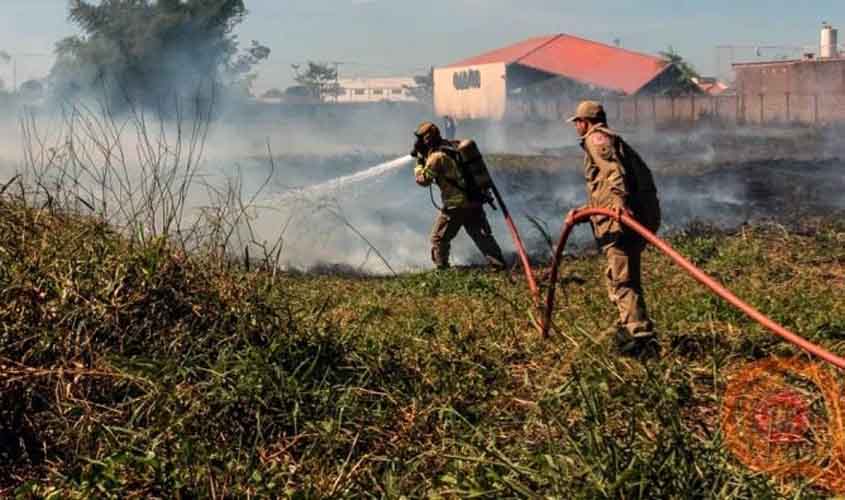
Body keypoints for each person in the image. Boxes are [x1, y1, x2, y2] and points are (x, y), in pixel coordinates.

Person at [565, 101, 662, 356]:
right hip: (629, 216)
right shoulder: (609, 139)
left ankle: (639, 339)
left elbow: (614, 173)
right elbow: (603, 188)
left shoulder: (595, 139)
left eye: (577, 121)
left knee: (623, 280)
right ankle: (629, 328)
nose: (576, 126)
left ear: (585, 122)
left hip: (622, 222)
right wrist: (585, 212)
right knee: (619, 277)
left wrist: (619, 206)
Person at [412, 121, 506, 270]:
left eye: (421, 139)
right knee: (481, 236)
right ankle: (499, 265)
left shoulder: (436, 157)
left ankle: (442, 270)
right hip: (474, 200)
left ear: (428, 139)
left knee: (439, 238)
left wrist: (418, 165)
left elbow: (423, 181)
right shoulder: (453, 145)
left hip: (456, 205)